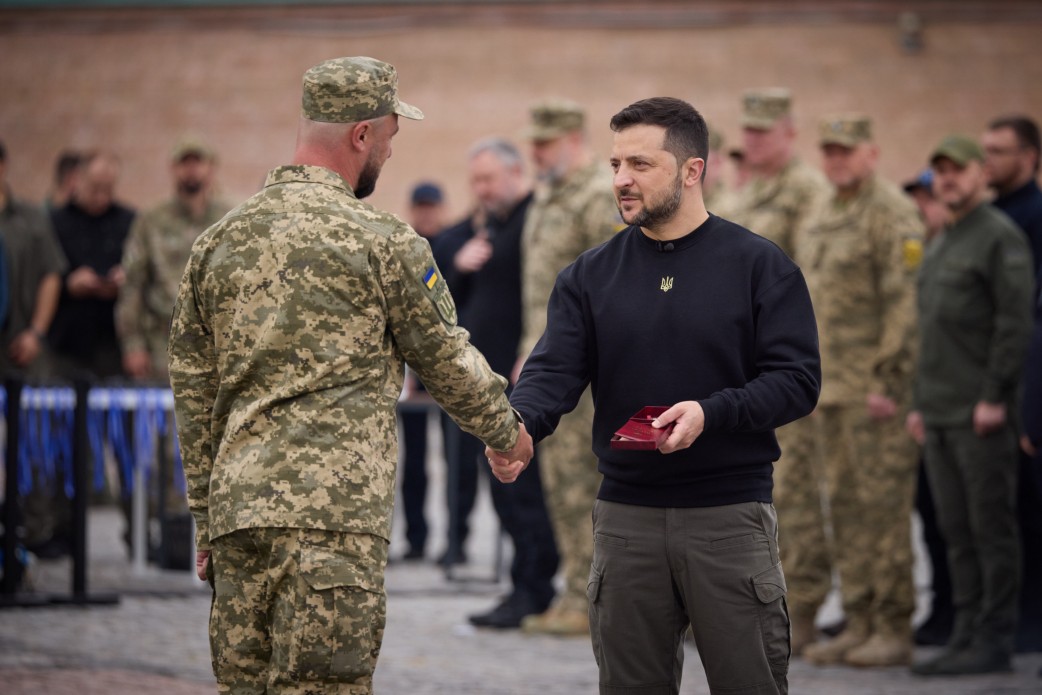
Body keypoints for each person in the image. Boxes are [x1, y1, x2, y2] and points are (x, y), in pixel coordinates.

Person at [168, 56, 532, 694]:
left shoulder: (218, 242)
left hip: (239, 517)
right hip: (331, 523)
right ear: (362, 134)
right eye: (391, 133)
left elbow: (194, 395)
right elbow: (444, 357)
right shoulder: (382, 240)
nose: (391, 151)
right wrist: (506, 435)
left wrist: (206, 517)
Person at [490, 96, 820, 694]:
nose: (621, 180)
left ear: (692, 171)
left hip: (729, 519)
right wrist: (520, 427)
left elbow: (796, 380)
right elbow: (554, 369)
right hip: (625, 523)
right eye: (616, 164)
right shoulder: (589, 275)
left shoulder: (758, 265)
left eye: (640, 165)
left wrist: (711, 412)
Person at [796, 115, 924, 668]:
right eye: (829, 151)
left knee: (882, 509)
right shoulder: (824, 210)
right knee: (844, 507)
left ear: (871, 153)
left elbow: (905, 302)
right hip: (830, 389)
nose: (837, 160)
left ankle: (893, 624)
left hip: (875, 392)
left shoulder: (891, 212)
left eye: (847, 151)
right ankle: (860, 618)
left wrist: (888, 380)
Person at [907, 134, 1035, 676]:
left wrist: (994, 396)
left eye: (957, 170)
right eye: (941, 172)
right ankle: (964, 632)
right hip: (937, 411)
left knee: (990, 530)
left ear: (980, 174)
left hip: (978, 415)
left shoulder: (997, 237)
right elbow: (930, 333)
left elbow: (1014, 324)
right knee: (954, 531)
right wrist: (918, 403)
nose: (949, 180)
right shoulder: (944, 237)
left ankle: (995, 638)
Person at [434, 137, 559, 627]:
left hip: (521, 383)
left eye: (488, 179)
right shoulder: (492, 225)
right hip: (487, 388)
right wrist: (458, 263)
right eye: (475, 181)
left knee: (524, 492)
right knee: (504, 491)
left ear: (515, 172)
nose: (481, 190)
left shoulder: (534, 220)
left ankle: (535, 588)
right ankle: (524, 586)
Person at [723, 88, 830, 655]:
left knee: (797, 500)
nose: (754, 140)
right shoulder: (752, 188)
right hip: (743, 370)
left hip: (782, 369)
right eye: (749, 130)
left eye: (765, 131)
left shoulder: (808, 192)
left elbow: (809, 284)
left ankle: (802, 609)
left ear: (790, 132)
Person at [509, 98, 620, 637]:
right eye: (532, 142)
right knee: (562, 485)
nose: (536, 152)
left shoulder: (599, 197)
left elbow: (616, 283)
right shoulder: (550, 197)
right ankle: (578, 588)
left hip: (586, 370)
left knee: (586, 485)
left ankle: (595, 595)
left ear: (575, 140)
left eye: (545, 143)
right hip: (549, 361)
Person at [982, 114, 1042, 653]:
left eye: (999, 151)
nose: (988, 162)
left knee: (1024, 509)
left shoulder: (1033, 217)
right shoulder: (991, 215)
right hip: (988, 382)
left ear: (1029, 157)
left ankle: (1029, 617)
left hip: (1022, 381)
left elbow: (1023, 315)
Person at [0, 139, 68, 558]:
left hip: (21, 343)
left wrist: (36, 332)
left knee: (34, 440)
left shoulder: (28, 219)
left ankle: (34, 530)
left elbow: (50, 275)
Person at [116, 135, 230, 383]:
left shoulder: (229, 218)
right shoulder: (151, 220)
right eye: (184, 163)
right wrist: (132, 344)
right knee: (162, 419)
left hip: (217, 346)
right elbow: (132, 283)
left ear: (211, 168)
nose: (191, 170)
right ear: (173, 168)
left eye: (197, 162)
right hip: (162, 345)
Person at [901, 167, 955, 648]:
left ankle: (955, 611)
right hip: (924, 401)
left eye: (930, 199)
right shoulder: (928, 253)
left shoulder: (949, 252)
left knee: (950, 515)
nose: (924, 209)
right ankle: (943, 607)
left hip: (955, 403)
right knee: (932, 511)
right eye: (919, 199)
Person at [49, 150, 135, 380]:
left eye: (107, 189)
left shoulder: (128, 220)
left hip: (111, 338)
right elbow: (44, 275)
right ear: (78, 179)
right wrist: (69, 282)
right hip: (66, 338)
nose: (100, 197)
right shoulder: (54, 221)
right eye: (95, 188)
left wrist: (123, 278)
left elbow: (137, 268)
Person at [396, 180, 448, 561]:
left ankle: (455, 542)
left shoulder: (452, 246)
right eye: (421, 207)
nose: (426, 214)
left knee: (454, 460)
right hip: (413, 378)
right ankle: (417, 538)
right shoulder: (404, 247)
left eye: (432, 207)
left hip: (446, 375)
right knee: (413, 464)